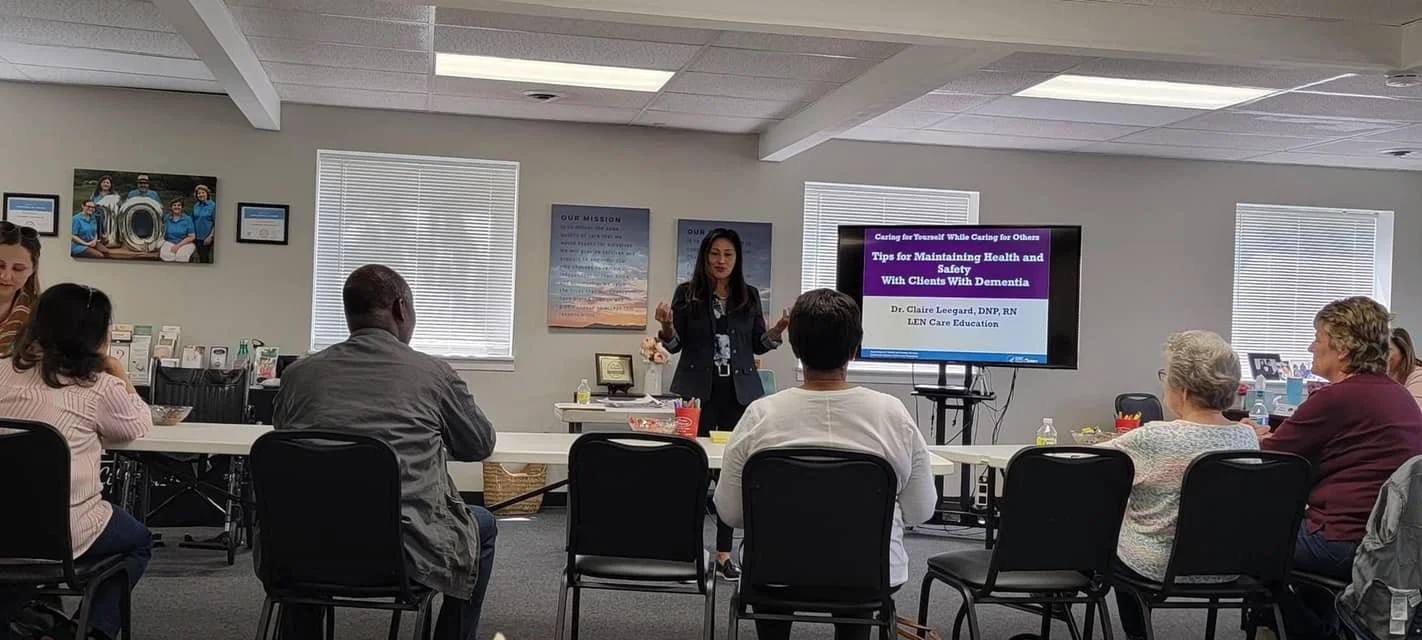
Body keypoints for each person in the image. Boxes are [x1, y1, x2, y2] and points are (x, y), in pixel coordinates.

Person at [272, 265, 497, 640]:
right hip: (403, 552)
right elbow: (479, 444)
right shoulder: (434, 374)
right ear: (401, 309)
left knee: (308, 520)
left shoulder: (298, 375)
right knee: (482, 525)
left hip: (302, 547)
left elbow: (286, 442)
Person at [713, 288, 936, 640]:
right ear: (856, 348)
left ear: (796, 348)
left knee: (770, 587)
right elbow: (922, 509)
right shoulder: (891, 414)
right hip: (869, 577)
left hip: (773, 573)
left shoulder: (760, 414)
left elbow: (730, 512)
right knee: (858, 601)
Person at [1255, 296, 1422, 639]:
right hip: (1392, 545)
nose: (1310, 346)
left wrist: (1246, 433)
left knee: (1248, 545)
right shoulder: (1398, 395)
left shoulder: (1336, 398)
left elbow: (1271, 457)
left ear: (1343, 349)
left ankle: (1309, 632)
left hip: (1344, 539)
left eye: (1318, 338)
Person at [0, 284, 153, 640]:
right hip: (60, 533)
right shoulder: (99, 387)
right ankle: (89, 631)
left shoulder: (2, 371)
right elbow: (139, 425)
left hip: (3, 525)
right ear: (97, 335)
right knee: (139, 540)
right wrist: (116, 369)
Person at [1100, 331, 1259, 640]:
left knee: (1106, 545)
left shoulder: (1154, 437)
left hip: (1156, 566)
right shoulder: (1246, 437)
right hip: (1227, 564)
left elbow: (1093, 465)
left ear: (1183, 390)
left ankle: (1137, 634)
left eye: (1166, 377)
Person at [656, 228, 788, 579]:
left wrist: (777, 332)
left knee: (734, 471)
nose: (721, 261)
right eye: (715, 253)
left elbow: (758, 345)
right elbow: (673, 346)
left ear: (737, 259)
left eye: (728, 254)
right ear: (705, 256)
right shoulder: (687, 295)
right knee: (693, 468)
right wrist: (667, 327)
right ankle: (685, 549)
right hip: (698, 392)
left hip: (740, 394)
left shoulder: (750, 295)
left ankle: (725, 555)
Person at [0, 221, 40, 358]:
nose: (5, 276)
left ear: (32, 270)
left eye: (18, 269)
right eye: (0, 266)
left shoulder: (38, 313)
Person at [1389, 327, 1422, 410]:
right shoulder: (1382, 375)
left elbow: (1414, 411)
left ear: (1403, 352)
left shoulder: (1418, 376)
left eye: (1388, 350)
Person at [158, 198, 196, 262]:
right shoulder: (167, 218)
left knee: (181, 257)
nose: (176, 207)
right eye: (174, 205)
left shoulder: (187, 219)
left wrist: (178, 246)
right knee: (165, 255)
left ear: (182, 207)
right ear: (171, 207)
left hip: (185, 243)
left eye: (179, 205)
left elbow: (192, 236)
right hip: (169, 242)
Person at [191, 184, 215, 264]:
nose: (201, 195)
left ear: (207, 193)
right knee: (199, 257)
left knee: (204, 258)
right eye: (199, 193)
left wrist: (210, 236)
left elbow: (216, 223)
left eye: (203, 192)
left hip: (207, 237)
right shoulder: (196, 206)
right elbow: (193, 220)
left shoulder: (213, 206)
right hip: (196, 237)